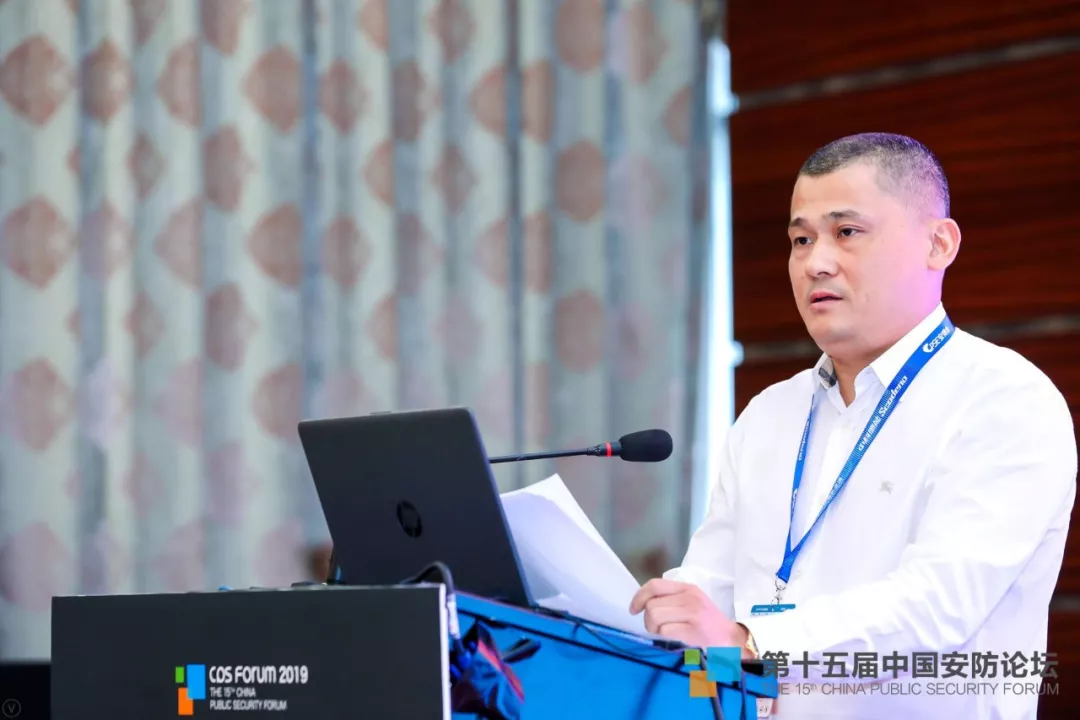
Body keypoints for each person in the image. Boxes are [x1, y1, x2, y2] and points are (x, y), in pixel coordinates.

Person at [629, 132, 1077, 718]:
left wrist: (753, 644)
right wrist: (667, 638)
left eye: (846, 232)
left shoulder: (1003, 399)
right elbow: (710, 598)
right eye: (801, 239)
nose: (815, 262)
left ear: (938, 244)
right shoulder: (768, 413)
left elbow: (939, 605)